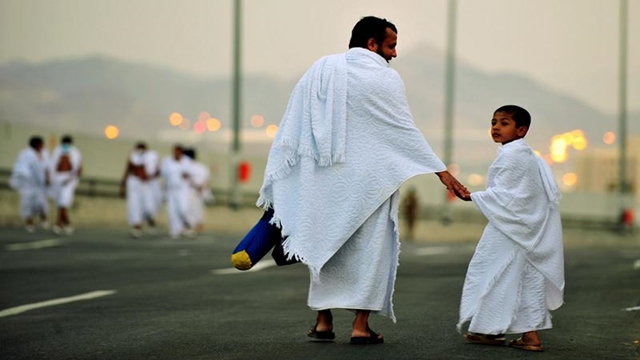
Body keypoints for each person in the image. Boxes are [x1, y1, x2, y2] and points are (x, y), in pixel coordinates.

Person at [256, 16, 469, 344]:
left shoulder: (321, 70)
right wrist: (441, 171)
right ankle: (360, 326)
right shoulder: (385, 79)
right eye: (391, 45)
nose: (394, 54)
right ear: (372, 43)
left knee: (325, 246)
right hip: (371, 184)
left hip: (324, 181)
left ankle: (324, 322)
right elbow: (401, 129)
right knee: (370, 252)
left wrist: (296, 174)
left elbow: (294, 123)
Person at [457, 105, 565, 352]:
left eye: (504, 123)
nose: (495, 127)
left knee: (491, 271)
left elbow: (508, 197)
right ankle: (522, 335)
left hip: (511, 228)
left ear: (521, 130)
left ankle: (492, 330)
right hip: (526, 228)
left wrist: (472, 197)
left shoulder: (513, 155)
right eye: (493, 122)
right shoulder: (527, 155)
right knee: (522, 277)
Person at [10, 136, 50, 232]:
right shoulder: (25, 154)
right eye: (41, 144)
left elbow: (47, 167)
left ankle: (43, 218)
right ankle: (29, 222)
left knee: (41, 203)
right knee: (27, 203)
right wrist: (22, 178)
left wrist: (47, 178)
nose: (42, 146)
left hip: (40, 184)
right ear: (36, 145)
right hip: (28, 184)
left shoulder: (45, 154)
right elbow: (21, 167)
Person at [119, 142, 158, 238]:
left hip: (146, 185)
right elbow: (128, 169)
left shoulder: (151, 157)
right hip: (134, 183)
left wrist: (148, 174)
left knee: (148, 207)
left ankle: (150, 220)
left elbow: (155, 171)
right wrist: (122, 186)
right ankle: (136, 227)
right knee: (134, 205)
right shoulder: (133, 157)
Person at [48, 135, 82, 235]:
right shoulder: (57, 151)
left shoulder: (75, 152)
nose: (65, 146)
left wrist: (73, 178)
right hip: (57, 178)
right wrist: (50, 178)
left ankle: (58, 224)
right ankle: (67, 223)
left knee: (64, 201)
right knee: (60, 202)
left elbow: (78, 167)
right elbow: (52, 165)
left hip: (69, 179)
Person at [161, 144, 195, 239]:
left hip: (182, 189)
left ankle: (188, 224)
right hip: (171, 189)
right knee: (172, 210)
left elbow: (190, 173)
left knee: (183, 209)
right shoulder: (167, 161)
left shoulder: (186, 161)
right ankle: (175, 230)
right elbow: (164, 174)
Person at [183, 148, 212, 233]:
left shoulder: (192, 167)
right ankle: (194, 225)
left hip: (193, 191)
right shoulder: (201, 167)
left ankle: (193, 226)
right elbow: (207, 180)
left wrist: (200, 188)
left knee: (193, 209)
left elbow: (205, 180)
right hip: (196, 191)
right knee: (195, 209)